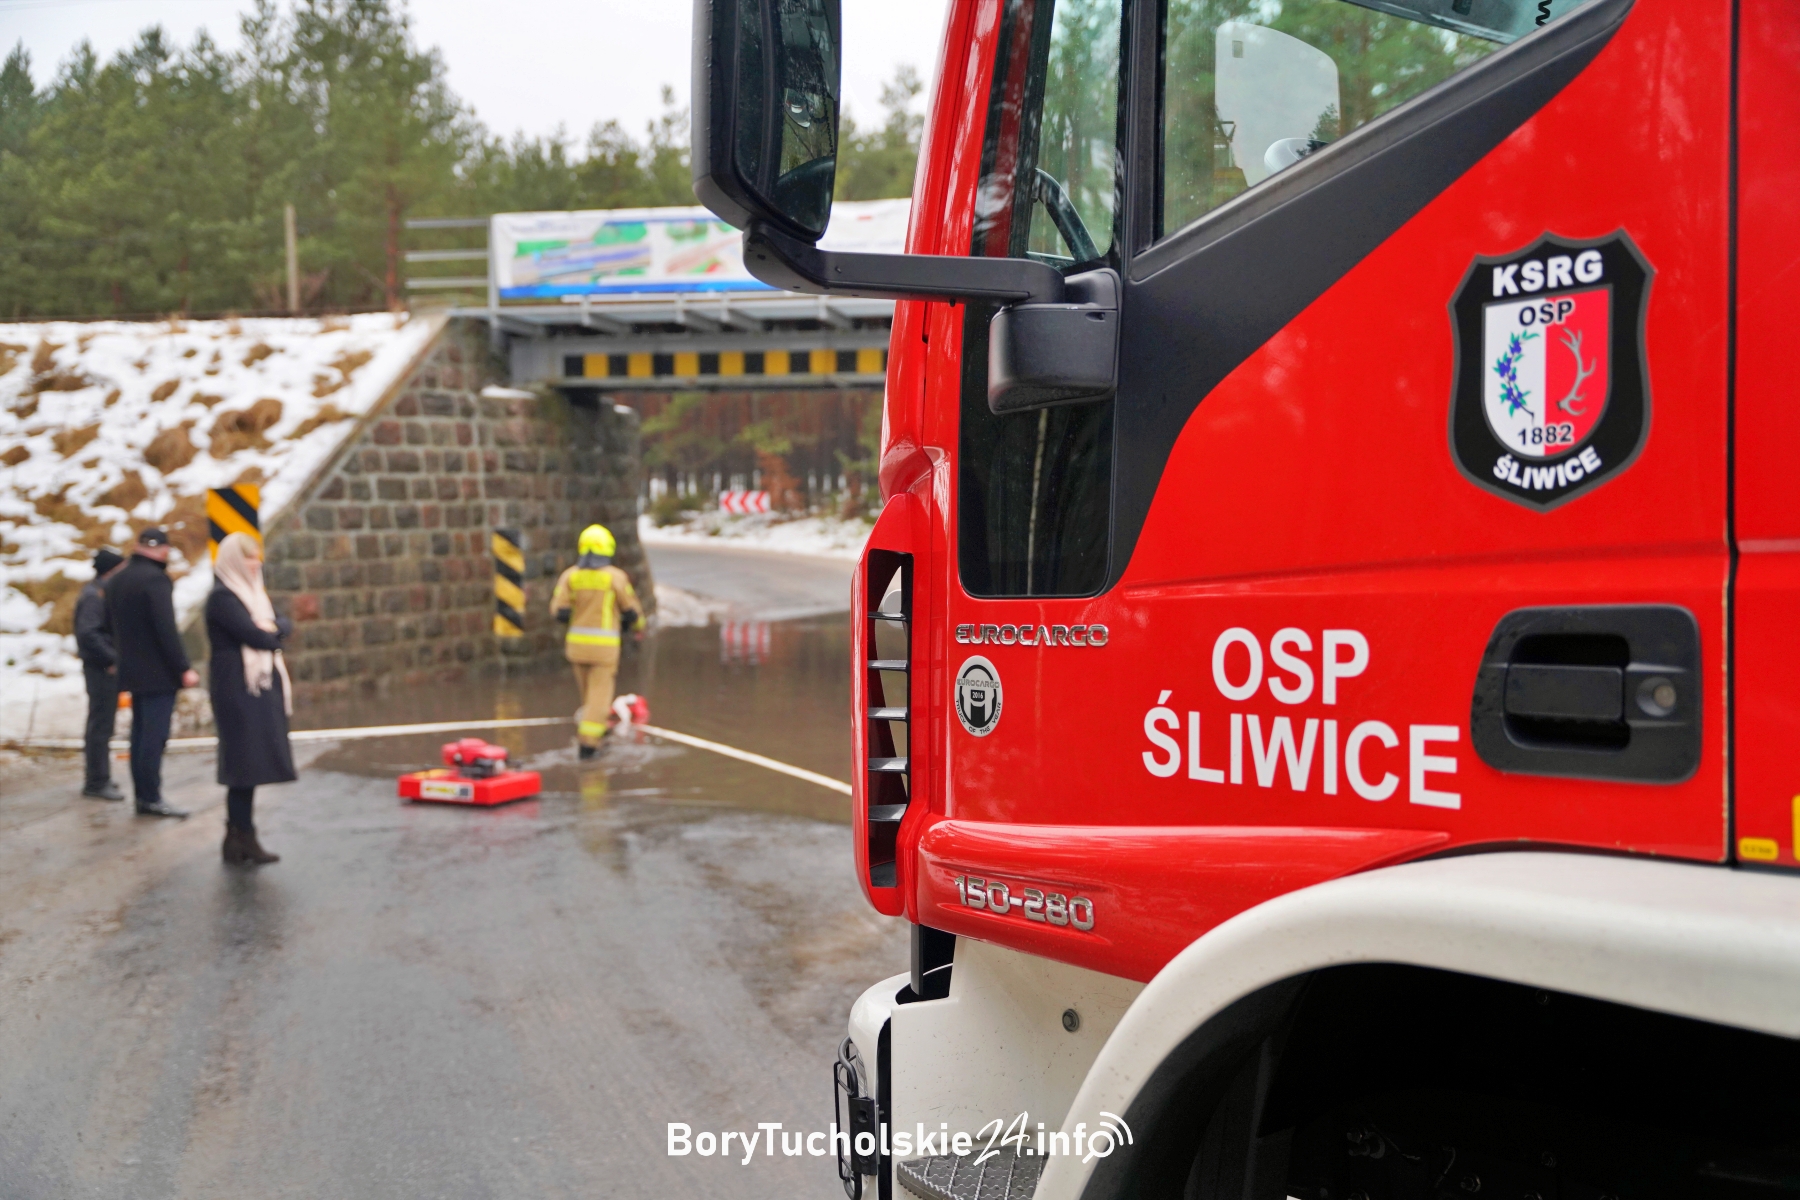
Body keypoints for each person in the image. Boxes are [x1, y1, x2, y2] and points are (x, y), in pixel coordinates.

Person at [205, 533, 294, 866]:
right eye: (249, 557)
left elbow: (282, 624)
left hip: (257, 686)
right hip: (237, 689)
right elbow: (256, 635)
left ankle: (240, 836)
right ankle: (240, 836)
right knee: (242, 765)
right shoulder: (223, 598)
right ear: (233, 560)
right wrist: (272, 632)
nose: (257, 563)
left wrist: (273, 629)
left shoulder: (255, 595)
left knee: (251, 764)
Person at [104, 527, 198, 818]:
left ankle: (143, 796)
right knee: (154, 737)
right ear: (165, 550)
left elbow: (109, 625)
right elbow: (165, 628)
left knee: (139, 734)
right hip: (158, 672)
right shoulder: (156, 580)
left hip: (132, 671)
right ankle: (151, 797)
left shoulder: (117, 579)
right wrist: (183, 667)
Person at [550, 524, 643, 759]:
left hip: (577, 648)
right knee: (599, 698)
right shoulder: (615, 577)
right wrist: (639, 627)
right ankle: (589, 745)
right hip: (604, 650)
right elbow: (632, 610)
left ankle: (598, 736)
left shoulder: (570, 576)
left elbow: (558, 611)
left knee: (588, 697)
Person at [75, 548, 127, 800]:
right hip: (100, 669)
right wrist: (111, 658)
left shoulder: (101, 593)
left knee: (104, 725)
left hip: (104, 668)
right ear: (111, 571)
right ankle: (96, 781)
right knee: (100, 725)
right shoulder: (94, 596)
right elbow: (89, 634)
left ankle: (100, 777)